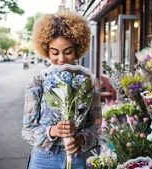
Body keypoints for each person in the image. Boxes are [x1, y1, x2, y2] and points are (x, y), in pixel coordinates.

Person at [21, 12, 101, 169]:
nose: (62, 59)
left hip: (76, 159)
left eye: (68, 51)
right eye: (55, 52)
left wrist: (81, 139)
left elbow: (97, 126)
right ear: (46, 50)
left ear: (78, 49)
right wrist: (52, 131)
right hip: (44, 159)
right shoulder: (37, 82)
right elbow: (27, 130)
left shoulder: (89, 81)